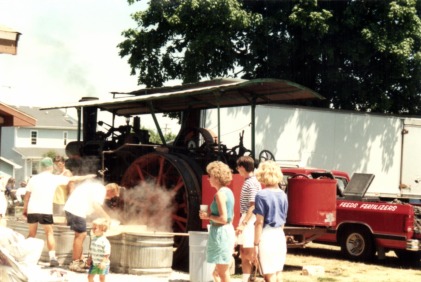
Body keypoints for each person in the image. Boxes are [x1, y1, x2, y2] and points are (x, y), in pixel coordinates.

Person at [23, 157, 96, 267]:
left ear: (41, 167)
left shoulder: (33, 178)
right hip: (45, 210)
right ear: (51, 167)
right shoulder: (54, 178)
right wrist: (88, 176)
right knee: (49, 233)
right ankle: (52, 258)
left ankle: (25, 255)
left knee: (32, 234)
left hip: (32, 209)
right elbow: (74, 179)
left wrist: (25, 209)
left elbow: (27, 196)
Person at [65, 181, 120, 273]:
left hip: (72, 208)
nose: (110, 198)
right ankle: (75, 263)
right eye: (112, 195)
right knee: (81, 235)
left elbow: (91, 205)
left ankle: (79, 260)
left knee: (79, 235)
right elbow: (96, 205)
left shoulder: (96, 187)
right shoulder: (101, 190)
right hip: (76, 210)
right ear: (109, 190)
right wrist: (107, 217)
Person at [199, 161, 235, 282]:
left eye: (210, 176)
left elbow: (223, 219)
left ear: (216, 177)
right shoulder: (229, 191)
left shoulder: (219, 194)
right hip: (227, 230)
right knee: (218, 272)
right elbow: (232, 216)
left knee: (222, 273)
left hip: (221, 232)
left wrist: (208, 216)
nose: (208, 179)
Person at [253, 160, 288, 282]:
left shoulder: (261, 195)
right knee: (278, 273)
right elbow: (283, 219)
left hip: (267, 235)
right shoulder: (283, 194)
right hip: (279, 234)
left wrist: (256, 244)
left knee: (269, 275)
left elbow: (259, 222)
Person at [235, 156, 261, 282]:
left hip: (249, 220)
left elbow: (253, 206)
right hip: (247, 219)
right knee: (244, 252)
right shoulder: (249, 181)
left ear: (243, 167)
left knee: (249, 253)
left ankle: (258, 277)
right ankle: (247, 279)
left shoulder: (251, 183)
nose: (237, 169)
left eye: (238, 167)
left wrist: (244, 223)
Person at [87, 218, 111, 282]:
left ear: (102, 229)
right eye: (93, 228)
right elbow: (93, 250)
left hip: (103, 263)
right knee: (89, 277)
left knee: (101, 278)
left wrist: (103, 262)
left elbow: (107, 253)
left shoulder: (104, 241)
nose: (93, 230)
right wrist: (90, 258)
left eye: (95, 228)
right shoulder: (94, 239)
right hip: (94, 263)